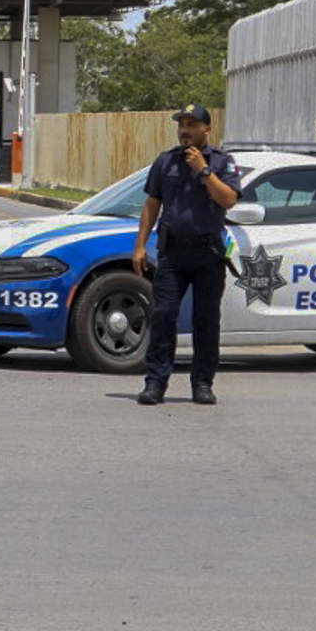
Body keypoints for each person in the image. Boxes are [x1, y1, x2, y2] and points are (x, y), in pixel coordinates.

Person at [132, 104, 242, 407]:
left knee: (206, 320)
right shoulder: (166, 161)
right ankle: (155, 383)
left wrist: (203, 171)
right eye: (182, 125)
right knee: (164, 315)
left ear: (207, 129)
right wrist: (140, 246)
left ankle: (203, 383)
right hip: (172, 251)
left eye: (192, 125)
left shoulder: (222, 162)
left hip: (208, 252)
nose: (185, 130)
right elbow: (152, 204)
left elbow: (229, 199)